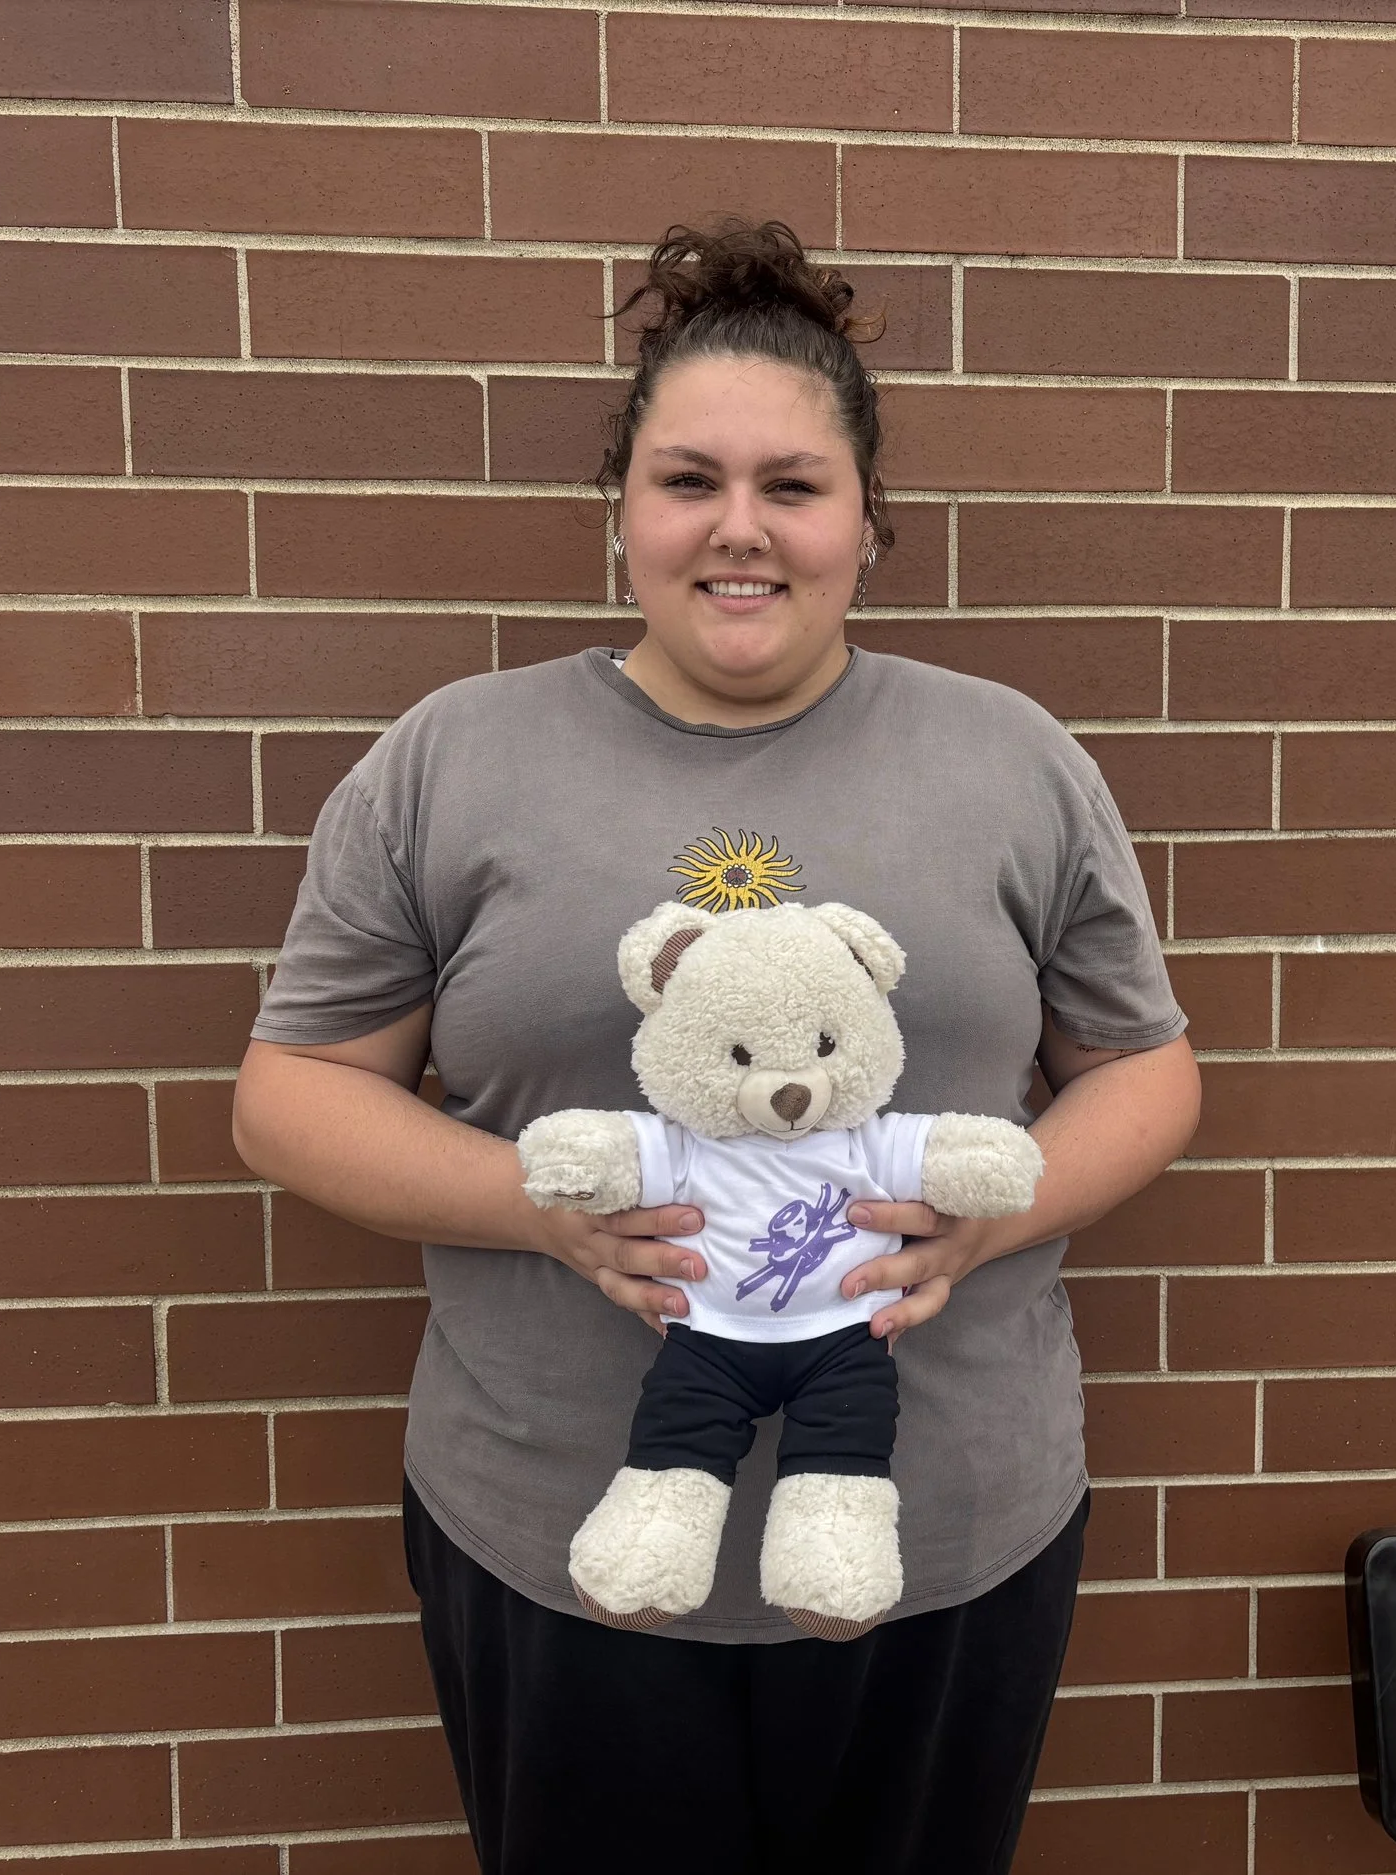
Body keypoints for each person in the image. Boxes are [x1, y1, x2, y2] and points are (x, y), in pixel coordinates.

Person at [232, 218, 1200, 1874]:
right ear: (621, 509)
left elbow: (1149, 1068)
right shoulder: (453, 762)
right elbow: (290, 1094)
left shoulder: (1014, 761)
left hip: (948, 1524)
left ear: (868, 524)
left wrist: (1001, 1207)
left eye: (793, 485)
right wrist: (539, 1202)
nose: (738, 529)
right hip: (556, 1529)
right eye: (688, 479)